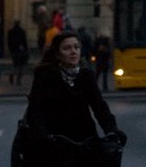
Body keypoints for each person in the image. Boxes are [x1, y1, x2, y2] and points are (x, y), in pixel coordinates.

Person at [16, 30, 126, 166]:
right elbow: (36, 109)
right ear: (57, 54)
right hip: (55, 141)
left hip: (84, 139)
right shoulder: (45, 75)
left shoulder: (86, 76)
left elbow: (99, 107)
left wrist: (112, 130)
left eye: (76, 47)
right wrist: (43, 136)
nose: (73, 52)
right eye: (67, 48)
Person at [8, 20, 29, 86]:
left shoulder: (10, 31)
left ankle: (12, 73)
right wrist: (26, 50)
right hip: (20, 51)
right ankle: (18, 80)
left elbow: (8, 41)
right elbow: (24, 42)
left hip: (13, 50)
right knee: (21, 66)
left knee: (14, 64)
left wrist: (10, 49)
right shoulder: (22, 31)